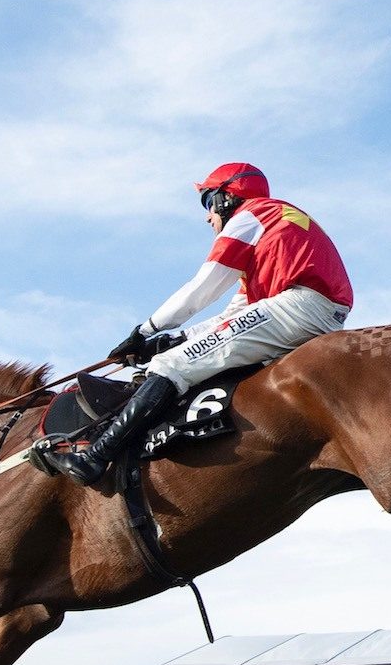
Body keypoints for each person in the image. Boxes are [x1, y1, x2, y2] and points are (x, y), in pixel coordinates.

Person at [50, 162, 354, 485]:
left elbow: (202, 287)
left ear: (228, 198)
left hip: (301, 307)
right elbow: (232, 318)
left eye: (209, 202)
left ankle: (95, 458)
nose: (208, 216)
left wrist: (146, 331)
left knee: (171, 367)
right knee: (188, 355)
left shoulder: (248, 217)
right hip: (314, 310)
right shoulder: (276, 227)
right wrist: (173, 339)